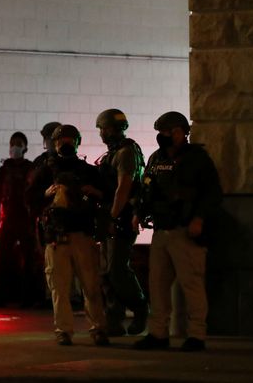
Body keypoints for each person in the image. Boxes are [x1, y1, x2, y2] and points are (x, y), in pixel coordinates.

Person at [133, 111, 222, 352]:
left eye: (171, 131)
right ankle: (158, 333)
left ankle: (197, 335)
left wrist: (199, 219)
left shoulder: (198, 159)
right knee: (158, 284)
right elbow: (147, 189)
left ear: (183, 133)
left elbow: (212, 193)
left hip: (186, 230)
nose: (166, 136)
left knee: (191, 283)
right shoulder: (156, 158)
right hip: (161, 230)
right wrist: (138, 213)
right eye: (163, 132)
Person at [27, 124, 109, 347]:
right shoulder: (44, 171)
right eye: (61, 139)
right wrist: (48, 193)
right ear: (54, 143)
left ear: (77, 142)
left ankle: (98, 327)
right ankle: (63, 330)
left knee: (91, 285)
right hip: (57, 235)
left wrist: (93, 193)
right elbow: (31, 201)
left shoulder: (88, 171)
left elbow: (104, 198)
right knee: (60, 288)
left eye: (70, 139)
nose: (66, 143)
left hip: (83, 232)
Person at [94, 109, 149, 336]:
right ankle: (114, 319)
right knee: (107, 271)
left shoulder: (126, 152)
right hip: (110, 217)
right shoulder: (112, 154)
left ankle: (139, 308)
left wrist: (112, 217)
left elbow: (123, 189)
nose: (102, 134)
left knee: (117, 270)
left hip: (120, 219)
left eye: (104, 129)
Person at [0, 132, 37, 306]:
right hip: (9, 218)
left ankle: (28, 296)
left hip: (26, 218)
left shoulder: (31, 169)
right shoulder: (4, 170)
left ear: (25, 148)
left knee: (29, 258)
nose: (15, 147)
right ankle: (1, 295)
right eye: (13, 143)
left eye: (19, 144)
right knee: (3, 257)